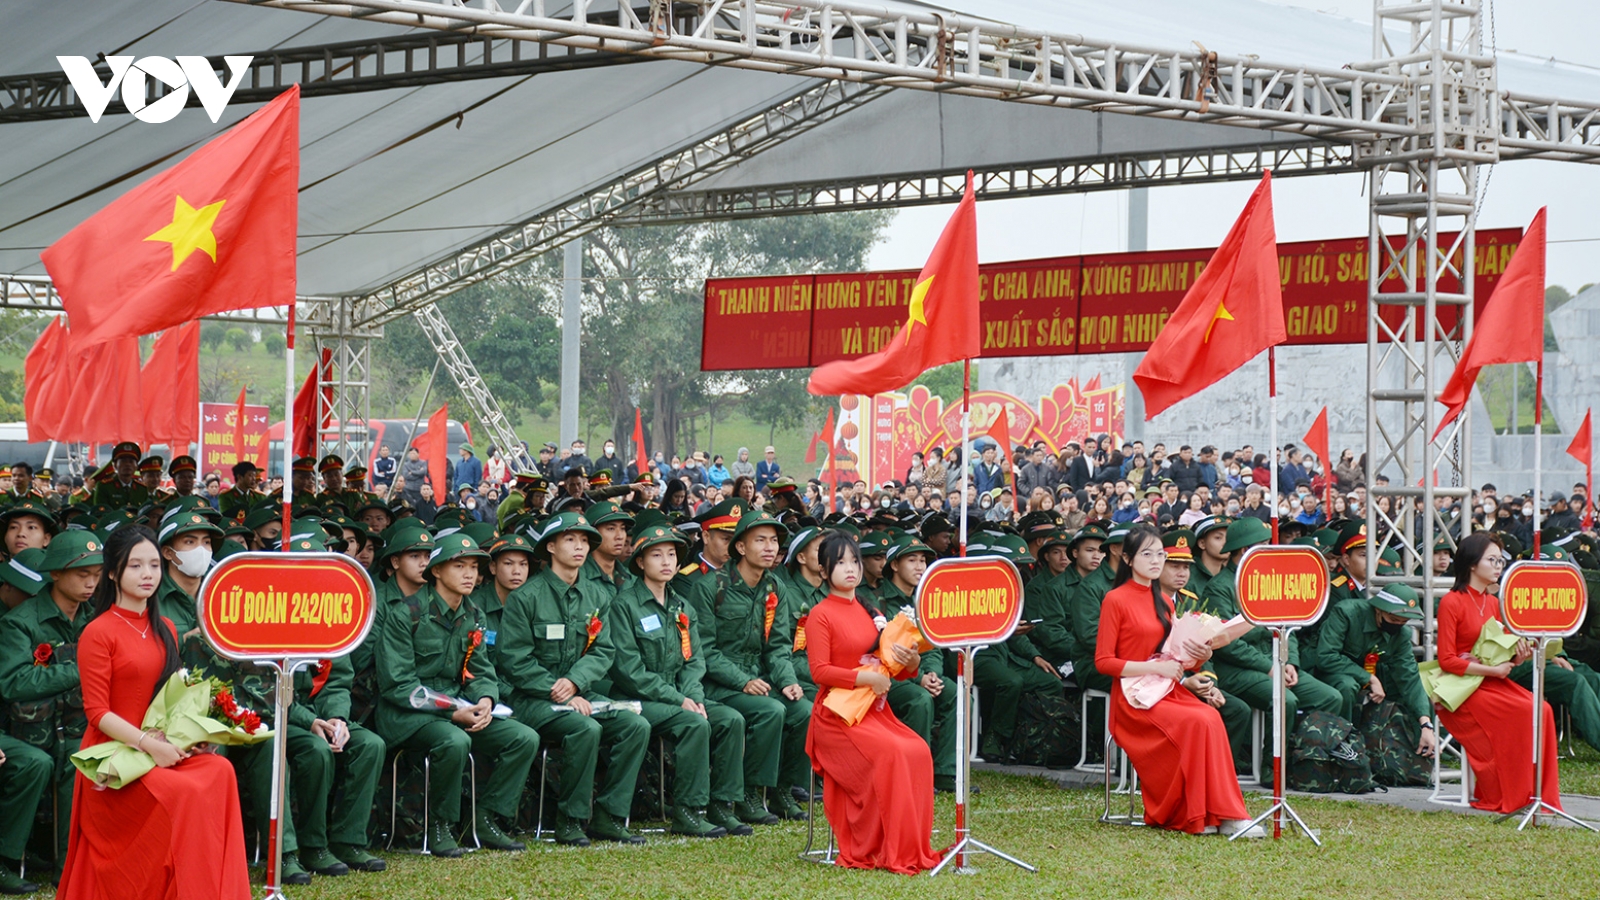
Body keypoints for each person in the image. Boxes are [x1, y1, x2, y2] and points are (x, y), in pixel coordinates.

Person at [56, 525, 251, 899]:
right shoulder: (98, 632)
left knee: (220, 769)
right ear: (112, 573)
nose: (148, 574)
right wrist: (149, 745)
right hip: (113, 752)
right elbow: (97, 712)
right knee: (184, 792)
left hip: (157, 743)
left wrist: (194, 739)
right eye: (135, 566)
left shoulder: (164, 628)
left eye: (153, 565)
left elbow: (170, 700)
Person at [374, 531, 539, 856]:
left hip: (458, 708)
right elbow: (398, 684)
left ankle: (487, 819)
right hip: (408, 714)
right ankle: (440, 825)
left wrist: (485, 700)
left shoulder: (473, 614)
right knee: (455, 740)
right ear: (436, 570)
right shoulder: (405, 613)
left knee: (523, 738)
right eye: (459, 566)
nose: (470, 575)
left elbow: (480, 670)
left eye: (474, 568)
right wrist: (451, 712)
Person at [496, 511, 651, 846]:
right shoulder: (527, 597)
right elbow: (514, 659)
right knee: (586, 728)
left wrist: (576, 683)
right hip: (532, 700)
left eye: (584, 541)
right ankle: (571, 820)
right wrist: (560, 690)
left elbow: (602, 650)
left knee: (635, 725)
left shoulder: (597, 597)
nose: (580, 547)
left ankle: (608, 816)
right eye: (570, 539)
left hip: (581, 693)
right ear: (550, 546)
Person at [1095, 525, 1259, 836]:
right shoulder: (1114, 600)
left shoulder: (1166, 602)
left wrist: (1201, 654)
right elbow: (1104, 662)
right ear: (1128, 559)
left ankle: (1222, 813)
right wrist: (1153, 669)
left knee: (1209, 716)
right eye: (1147, 554)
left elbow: (1175, 656)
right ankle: (1201, 813)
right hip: (1133, 701)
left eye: (1160, 553)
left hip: (1165, 691)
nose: (1156, 560)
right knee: (1197, 722)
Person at [805, 532, 944, 873]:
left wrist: (911, 662)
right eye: (839, 563)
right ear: (824, 571)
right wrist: (864, 678)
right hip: (837, 716)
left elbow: (894, 668)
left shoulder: (871, 611)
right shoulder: (820, 615)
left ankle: (911, 845)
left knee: (918, 750)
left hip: (872, 710)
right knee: (893, 754)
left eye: (854, 561)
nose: (850, 569)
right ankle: (884, 846)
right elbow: (819, 671)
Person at [608, 520, 747, 838]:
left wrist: (693, 694)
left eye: (672, 554)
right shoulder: (624, 605)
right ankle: (689, 810)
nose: (667, 561)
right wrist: (679, 699)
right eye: (657, 555)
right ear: (641, 562)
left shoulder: (682, 606)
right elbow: (629, 671)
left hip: (679, 695)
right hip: (638, 698)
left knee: (730, 718)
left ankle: (721, 805)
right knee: (694, 722)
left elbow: (694, 661)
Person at [679, 509, 812, 822]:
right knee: (771, 711)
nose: (770, 547)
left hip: (760, 678)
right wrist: (742, 681)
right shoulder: (710, 587)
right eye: (760, 540)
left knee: (803, 710)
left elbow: (778, 646)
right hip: (719, 683)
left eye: (774, 541)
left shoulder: (773, 588)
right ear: (740, 547)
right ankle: (747, 794)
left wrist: (788, 679)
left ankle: (780, 790)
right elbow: (705, 652)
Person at [1434, 531, 1561, 813]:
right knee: (1523, 713)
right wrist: (1493, 671)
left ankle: (1537, 793)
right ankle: (1512, 793)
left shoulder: (1493, 602)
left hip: (1489, 682)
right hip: (1461, 688)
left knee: (1543, 710)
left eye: (1499, 561)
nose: (1497, 566)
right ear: (1471, 564)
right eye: (1491, 560)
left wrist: (1518, 655)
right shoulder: (1451, 602)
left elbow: (1502, 653)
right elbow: (1446, 660)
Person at [0, 531, 101, 878]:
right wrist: (79, 669)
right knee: (55, 760)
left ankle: (79, 862)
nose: (91, 583)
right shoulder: (20, 622)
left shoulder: (96, 618)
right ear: (55, 573)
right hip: (33, 730)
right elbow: (12, 682)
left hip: (82, 723)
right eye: (82, 574)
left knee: (91, 754)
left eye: (97, 574)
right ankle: (18, 860)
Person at [871, 535, 957, 791]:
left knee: (958, 695)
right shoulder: (878, 599)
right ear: (894, 565)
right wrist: (917, 675)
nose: (920, 566)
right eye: (912, 560)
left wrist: (931, 673)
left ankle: (944, 771)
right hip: (885, 676)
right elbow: (883, 650)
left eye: (923, 560)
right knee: (920, 700)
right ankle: (913, 772)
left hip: (919, 672)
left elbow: (933, 646)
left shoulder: (925, 600)